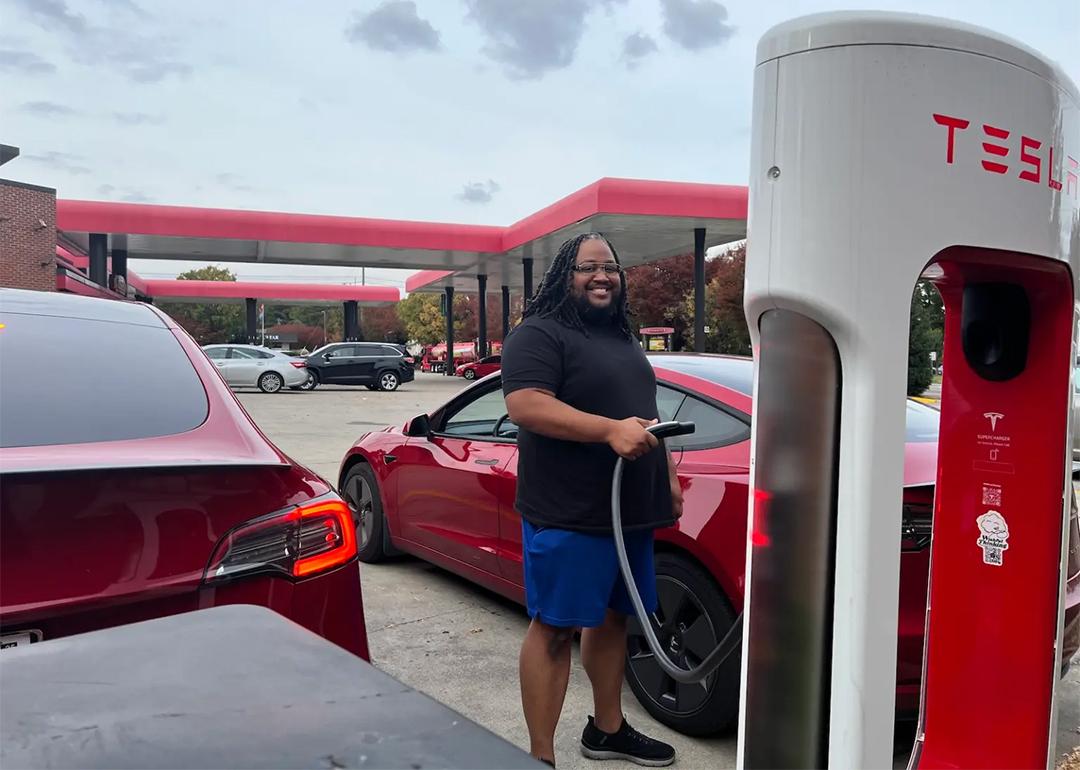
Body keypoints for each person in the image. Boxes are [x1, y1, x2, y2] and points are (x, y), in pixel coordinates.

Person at [501, 232, 683, 768]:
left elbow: (645, 412)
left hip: (629, 514)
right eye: (588, 268)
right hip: (571, 513)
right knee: (555, 627)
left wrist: (667, 478)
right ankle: (540, 757)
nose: (602, 277)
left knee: (612, 620)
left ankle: (608, 730)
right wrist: (608, 431)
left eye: (611, 268)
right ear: (565, 275)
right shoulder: (539, 333)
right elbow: (526, 405)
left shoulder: (624, 340)